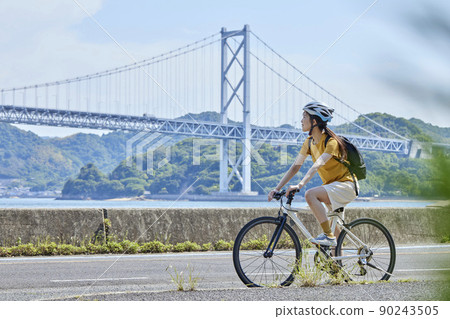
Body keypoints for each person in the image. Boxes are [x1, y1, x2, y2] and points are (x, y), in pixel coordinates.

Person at [268, 101, 358, 246]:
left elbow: (318, 164)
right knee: (335, 233)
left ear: (314, 121)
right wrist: (277, 189)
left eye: (304, 116)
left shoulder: (331, 142)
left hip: (346, 186)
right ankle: (336, 265)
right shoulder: (309, 142)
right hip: (331, 187)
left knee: (310, 194)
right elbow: (295, 167)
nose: (301, 120)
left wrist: (300, 184)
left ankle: (328, 236)